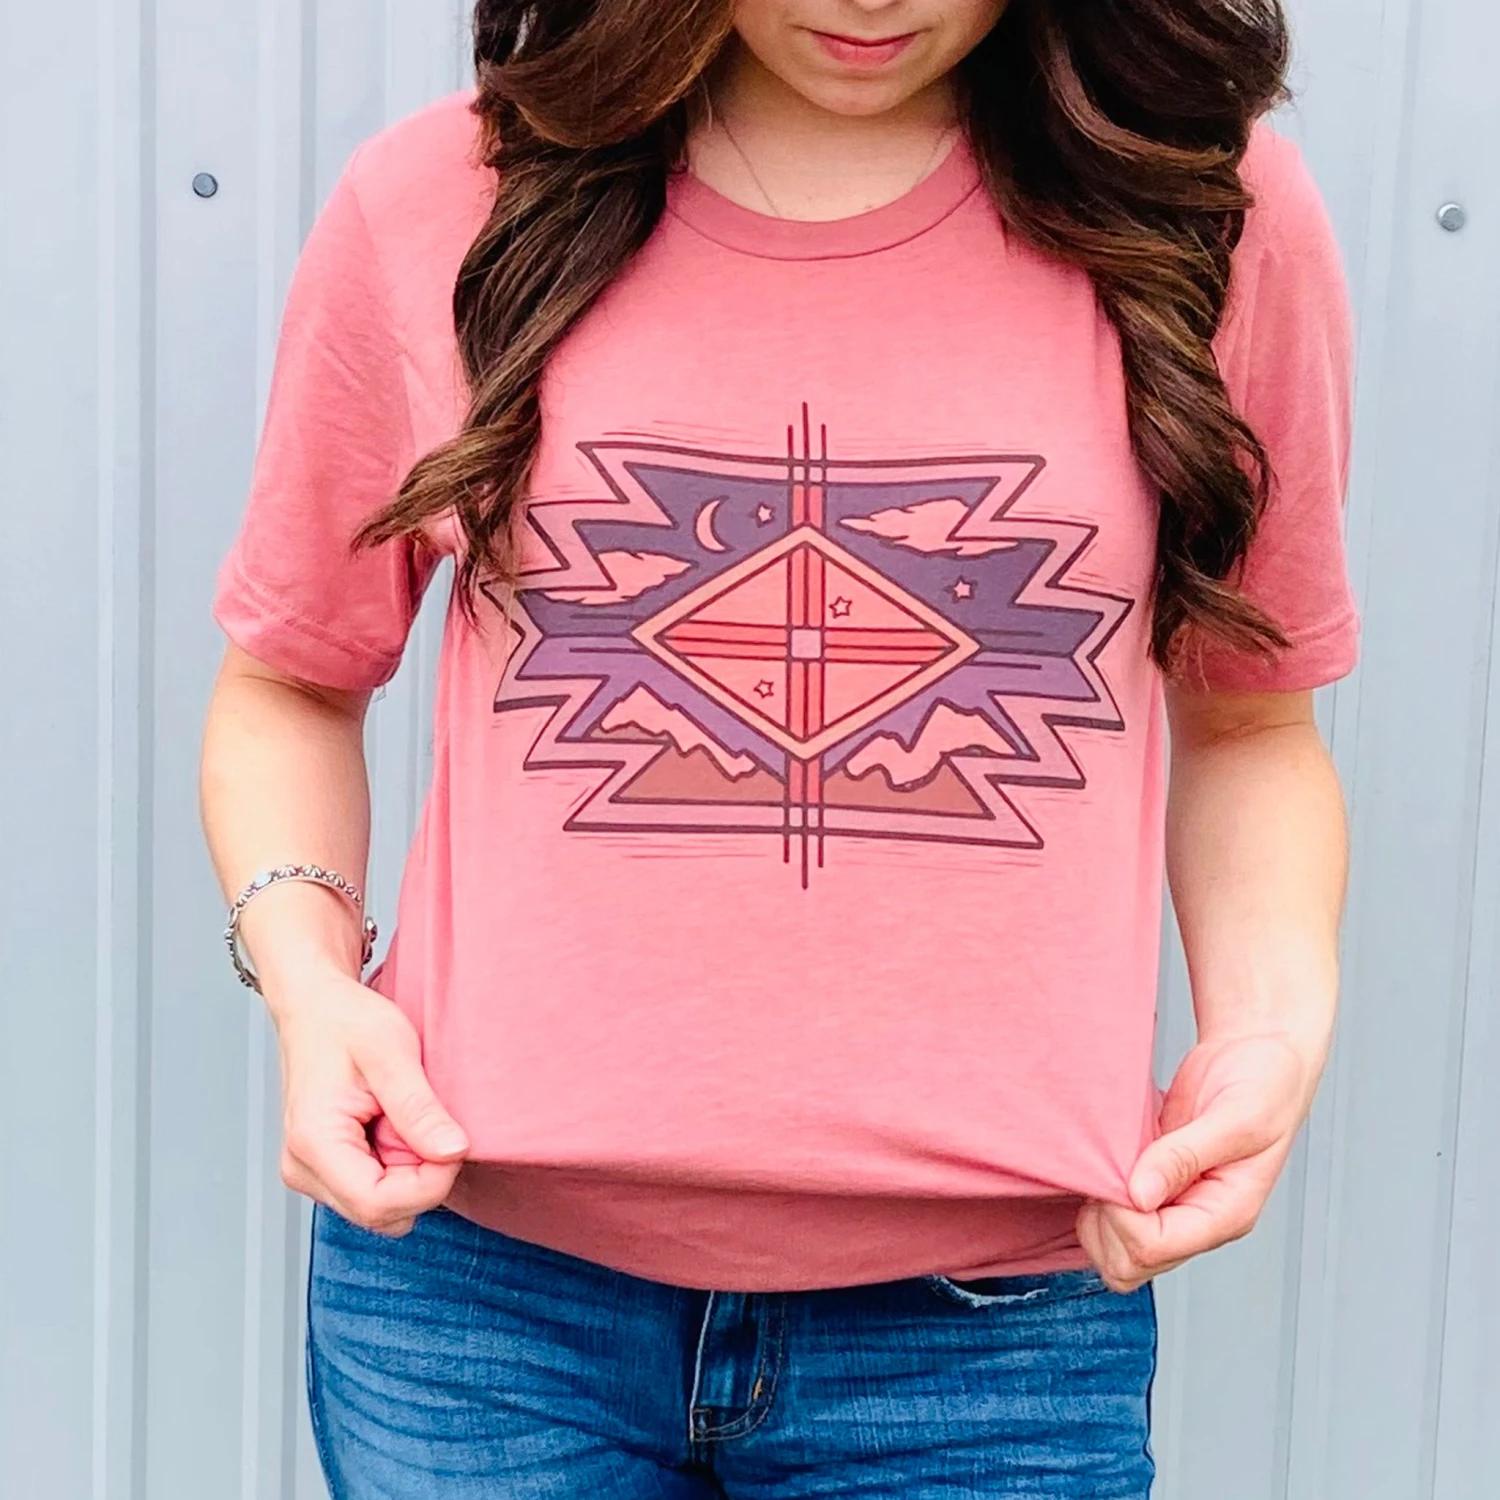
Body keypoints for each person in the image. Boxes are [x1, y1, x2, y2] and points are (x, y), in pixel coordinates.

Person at [200, 1, 1358, 1494]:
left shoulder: (1203, 207)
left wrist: (1270, 1033)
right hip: (480, 1304)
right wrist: (309, 986)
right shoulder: (445, 201)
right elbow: (290, 683)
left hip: (990, 1343)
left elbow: (1252, 721)